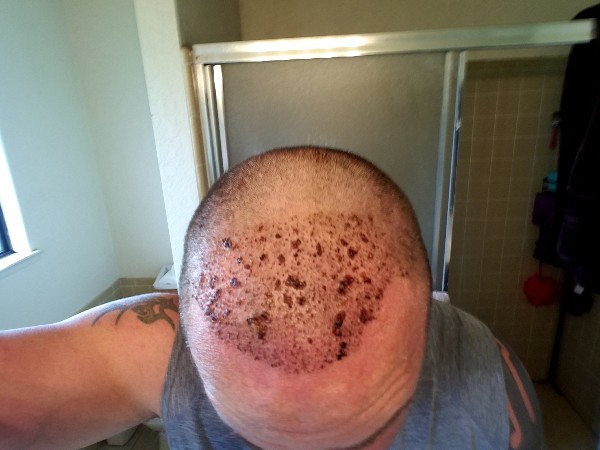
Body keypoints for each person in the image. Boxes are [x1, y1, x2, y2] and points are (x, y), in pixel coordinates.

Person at [0, 147, 544, 450]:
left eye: (363, 442)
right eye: (258, 442)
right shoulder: (160, 348)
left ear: (429, 324)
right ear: (188, 336)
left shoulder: (487, 387)